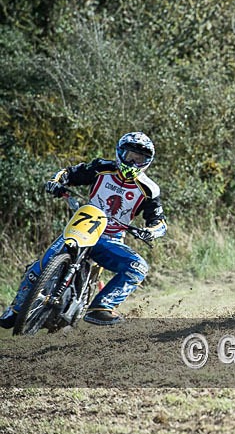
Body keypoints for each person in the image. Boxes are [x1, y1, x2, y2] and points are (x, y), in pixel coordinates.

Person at [0, 132, 167, 328]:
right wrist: (56, 183)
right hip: (82, 226)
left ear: (148, 161)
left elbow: (159, 222)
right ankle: (16, 309)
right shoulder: (101, 168)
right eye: (130, 155)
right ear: (120, 152)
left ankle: (102, 307)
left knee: (138, 267)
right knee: (42, 265)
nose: (133, 161)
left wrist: (150, 231)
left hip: (110, 239)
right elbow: (69, 174)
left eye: (140, 159)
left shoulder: (149, 189)